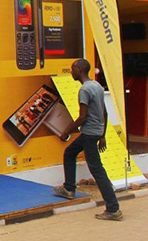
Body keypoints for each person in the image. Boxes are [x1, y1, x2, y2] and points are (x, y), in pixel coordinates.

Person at [52, 59, 121, 221]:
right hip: (94, 133)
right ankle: (69, 189)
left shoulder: (84, 90)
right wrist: (102, 135)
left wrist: (65, 131)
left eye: (72, 69)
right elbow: (105, 113)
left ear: (79, 70)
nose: (71, 72)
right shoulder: (96, 86)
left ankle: (113, 209)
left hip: (89, 134)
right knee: (70, 153)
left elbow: (82, 117)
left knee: (97, 170)